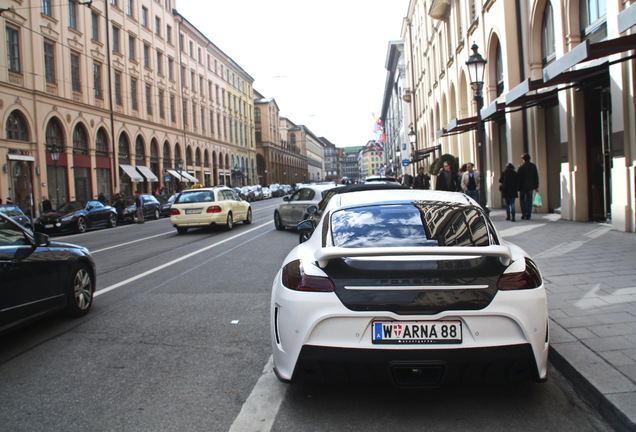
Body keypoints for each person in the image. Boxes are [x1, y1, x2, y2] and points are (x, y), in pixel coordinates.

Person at [517, 153, 539, 220]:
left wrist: (517, 186)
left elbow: (518, 177)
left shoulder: (521, 166)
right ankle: (528, 214)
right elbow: (536, 176)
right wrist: (536, 186)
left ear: (523, 159)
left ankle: (524, 214)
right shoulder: (533, 166)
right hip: (530, 186)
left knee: (522, 200)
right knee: (529, 200)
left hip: (522, 186)